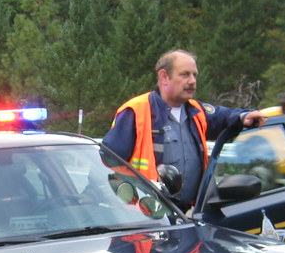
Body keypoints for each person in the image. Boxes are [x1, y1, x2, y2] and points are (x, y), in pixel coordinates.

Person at [102, 50, 267, 209]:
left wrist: (243, 117)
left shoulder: (196, 111)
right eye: (185, 74)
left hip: (190, 213)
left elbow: (224, 117)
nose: (192, 81)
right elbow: (107, 162)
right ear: (164, 77)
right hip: (147, 215)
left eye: (195, 75)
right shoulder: (136, 111)